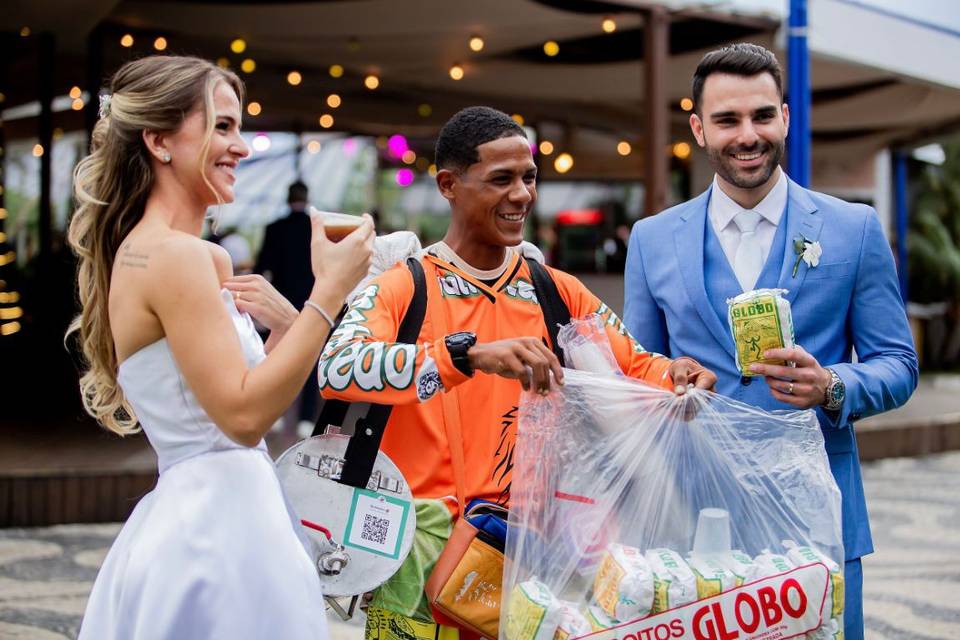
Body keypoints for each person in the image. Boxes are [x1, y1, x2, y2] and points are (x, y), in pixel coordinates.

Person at [317, 106, 716, 640]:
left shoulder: (556, 289)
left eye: (528, 178)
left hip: (527, 560)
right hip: (412, 565)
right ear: (448, 185)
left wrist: (680, 376)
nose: (523, 194)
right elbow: (338, 369)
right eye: (500, 179)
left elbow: (636, 365)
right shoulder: (402, 284)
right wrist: (465, 355)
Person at [67, 55, 374, 639]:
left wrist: (287, 330)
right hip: (215, 537)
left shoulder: (197, 256)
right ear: (159, 141)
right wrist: (328, 291)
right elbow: (242, 417)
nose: (241, 147)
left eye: (239, 127)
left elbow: (238, 391)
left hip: (222, 512)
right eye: (222, 126)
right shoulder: (174, 257)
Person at [622, 43, 918, 639]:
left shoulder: (852, 229)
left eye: (761, 116)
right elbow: (637, 369)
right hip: (691, 523)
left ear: (785, 117)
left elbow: (899, 364)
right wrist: (666, 379)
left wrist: (832, 383)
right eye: (728, 120)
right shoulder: (652, 240)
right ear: (699, 129)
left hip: (818, 514)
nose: (747, 135)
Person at [256, 180, 320, 436]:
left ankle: (276, 414)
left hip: (279, 302)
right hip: (311, 303)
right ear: (306, 198)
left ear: (287, 198)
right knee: (310, 358)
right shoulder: (315, 229)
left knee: (274, 356)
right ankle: (306, 419)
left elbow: (262, 268)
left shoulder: (275, 229)